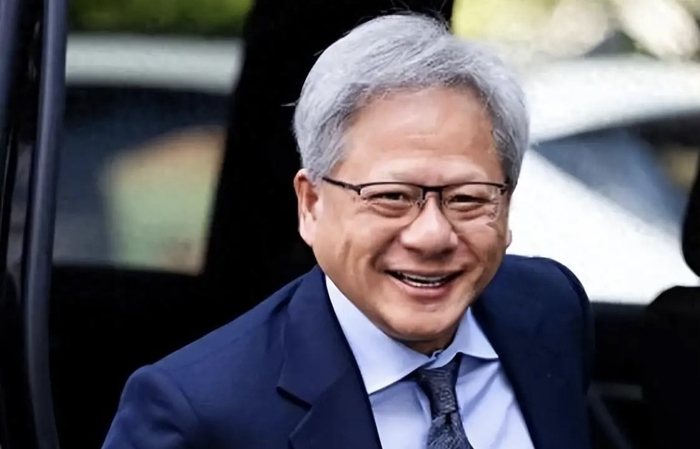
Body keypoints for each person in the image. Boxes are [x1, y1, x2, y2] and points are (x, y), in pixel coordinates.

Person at [102, 13, 593, 449]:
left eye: (466, 198)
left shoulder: (549, 307)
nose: (431, 236)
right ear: (311, 204)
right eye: (392, 197)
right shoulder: (197, 411)